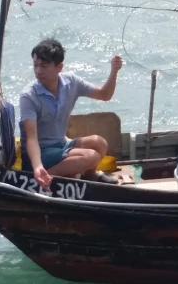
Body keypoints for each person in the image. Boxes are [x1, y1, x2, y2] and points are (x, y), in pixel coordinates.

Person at [19, 38, 123, 189]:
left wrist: (114, 71)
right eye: (35, 65)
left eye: (44, 66)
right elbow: (31, 139)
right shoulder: (29, 96)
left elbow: (104, 95)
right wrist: (37, 166)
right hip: (40, 153)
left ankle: (89, 175)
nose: (38, 71)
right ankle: (44, 178)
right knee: (91, 156)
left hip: (60, 143)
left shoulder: (71, 82)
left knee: (99, 143)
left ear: (59, 67)